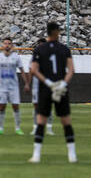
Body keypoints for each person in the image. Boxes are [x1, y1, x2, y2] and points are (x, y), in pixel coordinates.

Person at [29, 22, 76, 163]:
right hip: (61, 89)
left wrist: (49, 83)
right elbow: (71, 70)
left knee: (41, 121)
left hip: (46, 89)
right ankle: (72, 155)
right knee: (66, 121)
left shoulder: (40, 49)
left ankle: (36, 155)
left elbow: (34, 69)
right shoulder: (64, 49)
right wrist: (62, 84)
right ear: (56, 32)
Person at [0, 36, 29, 135]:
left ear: (12, 45)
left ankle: (18, 128)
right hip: (2, 87)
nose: (7, 45)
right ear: (2, 45)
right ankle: (0, 128)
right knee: (1, 107)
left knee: (15, 107)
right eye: (5, 43)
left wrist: (27, 83)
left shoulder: (16, 57)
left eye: (9, 43)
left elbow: (22, 70)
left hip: (14, 86)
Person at [28, 38, 54, 135]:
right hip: (36, 85)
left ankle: (49, 128)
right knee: (36, 106)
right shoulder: (34, 57)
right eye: (39, 45)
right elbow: (30, 70)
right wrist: (28, 83)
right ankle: (35, 127)